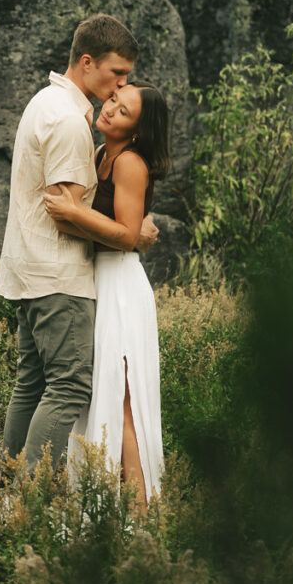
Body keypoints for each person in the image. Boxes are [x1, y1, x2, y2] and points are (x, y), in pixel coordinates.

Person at [0, 14, 158, 473]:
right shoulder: (68, 121)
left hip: (31, 271)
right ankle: (28, 499)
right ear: (88, 63)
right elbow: (65, 214)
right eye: (117, 74)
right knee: (67, 388)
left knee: (32, 383)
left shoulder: (45, 102)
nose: (122, 85)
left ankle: (6, 492)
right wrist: (132, 237)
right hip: (59, 275)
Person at [43, 81, 170, 513]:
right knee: (101, 395)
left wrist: (76, 211)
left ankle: (141, 518)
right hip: (98, 282)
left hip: (121, 289)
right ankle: (104, 506)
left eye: (125, 110)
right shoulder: (100, 155)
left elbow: (128, 236)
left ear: (137, 130)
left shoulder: (130, 162)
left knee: (125, 400)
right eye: (114, 98)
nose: (111, 108)